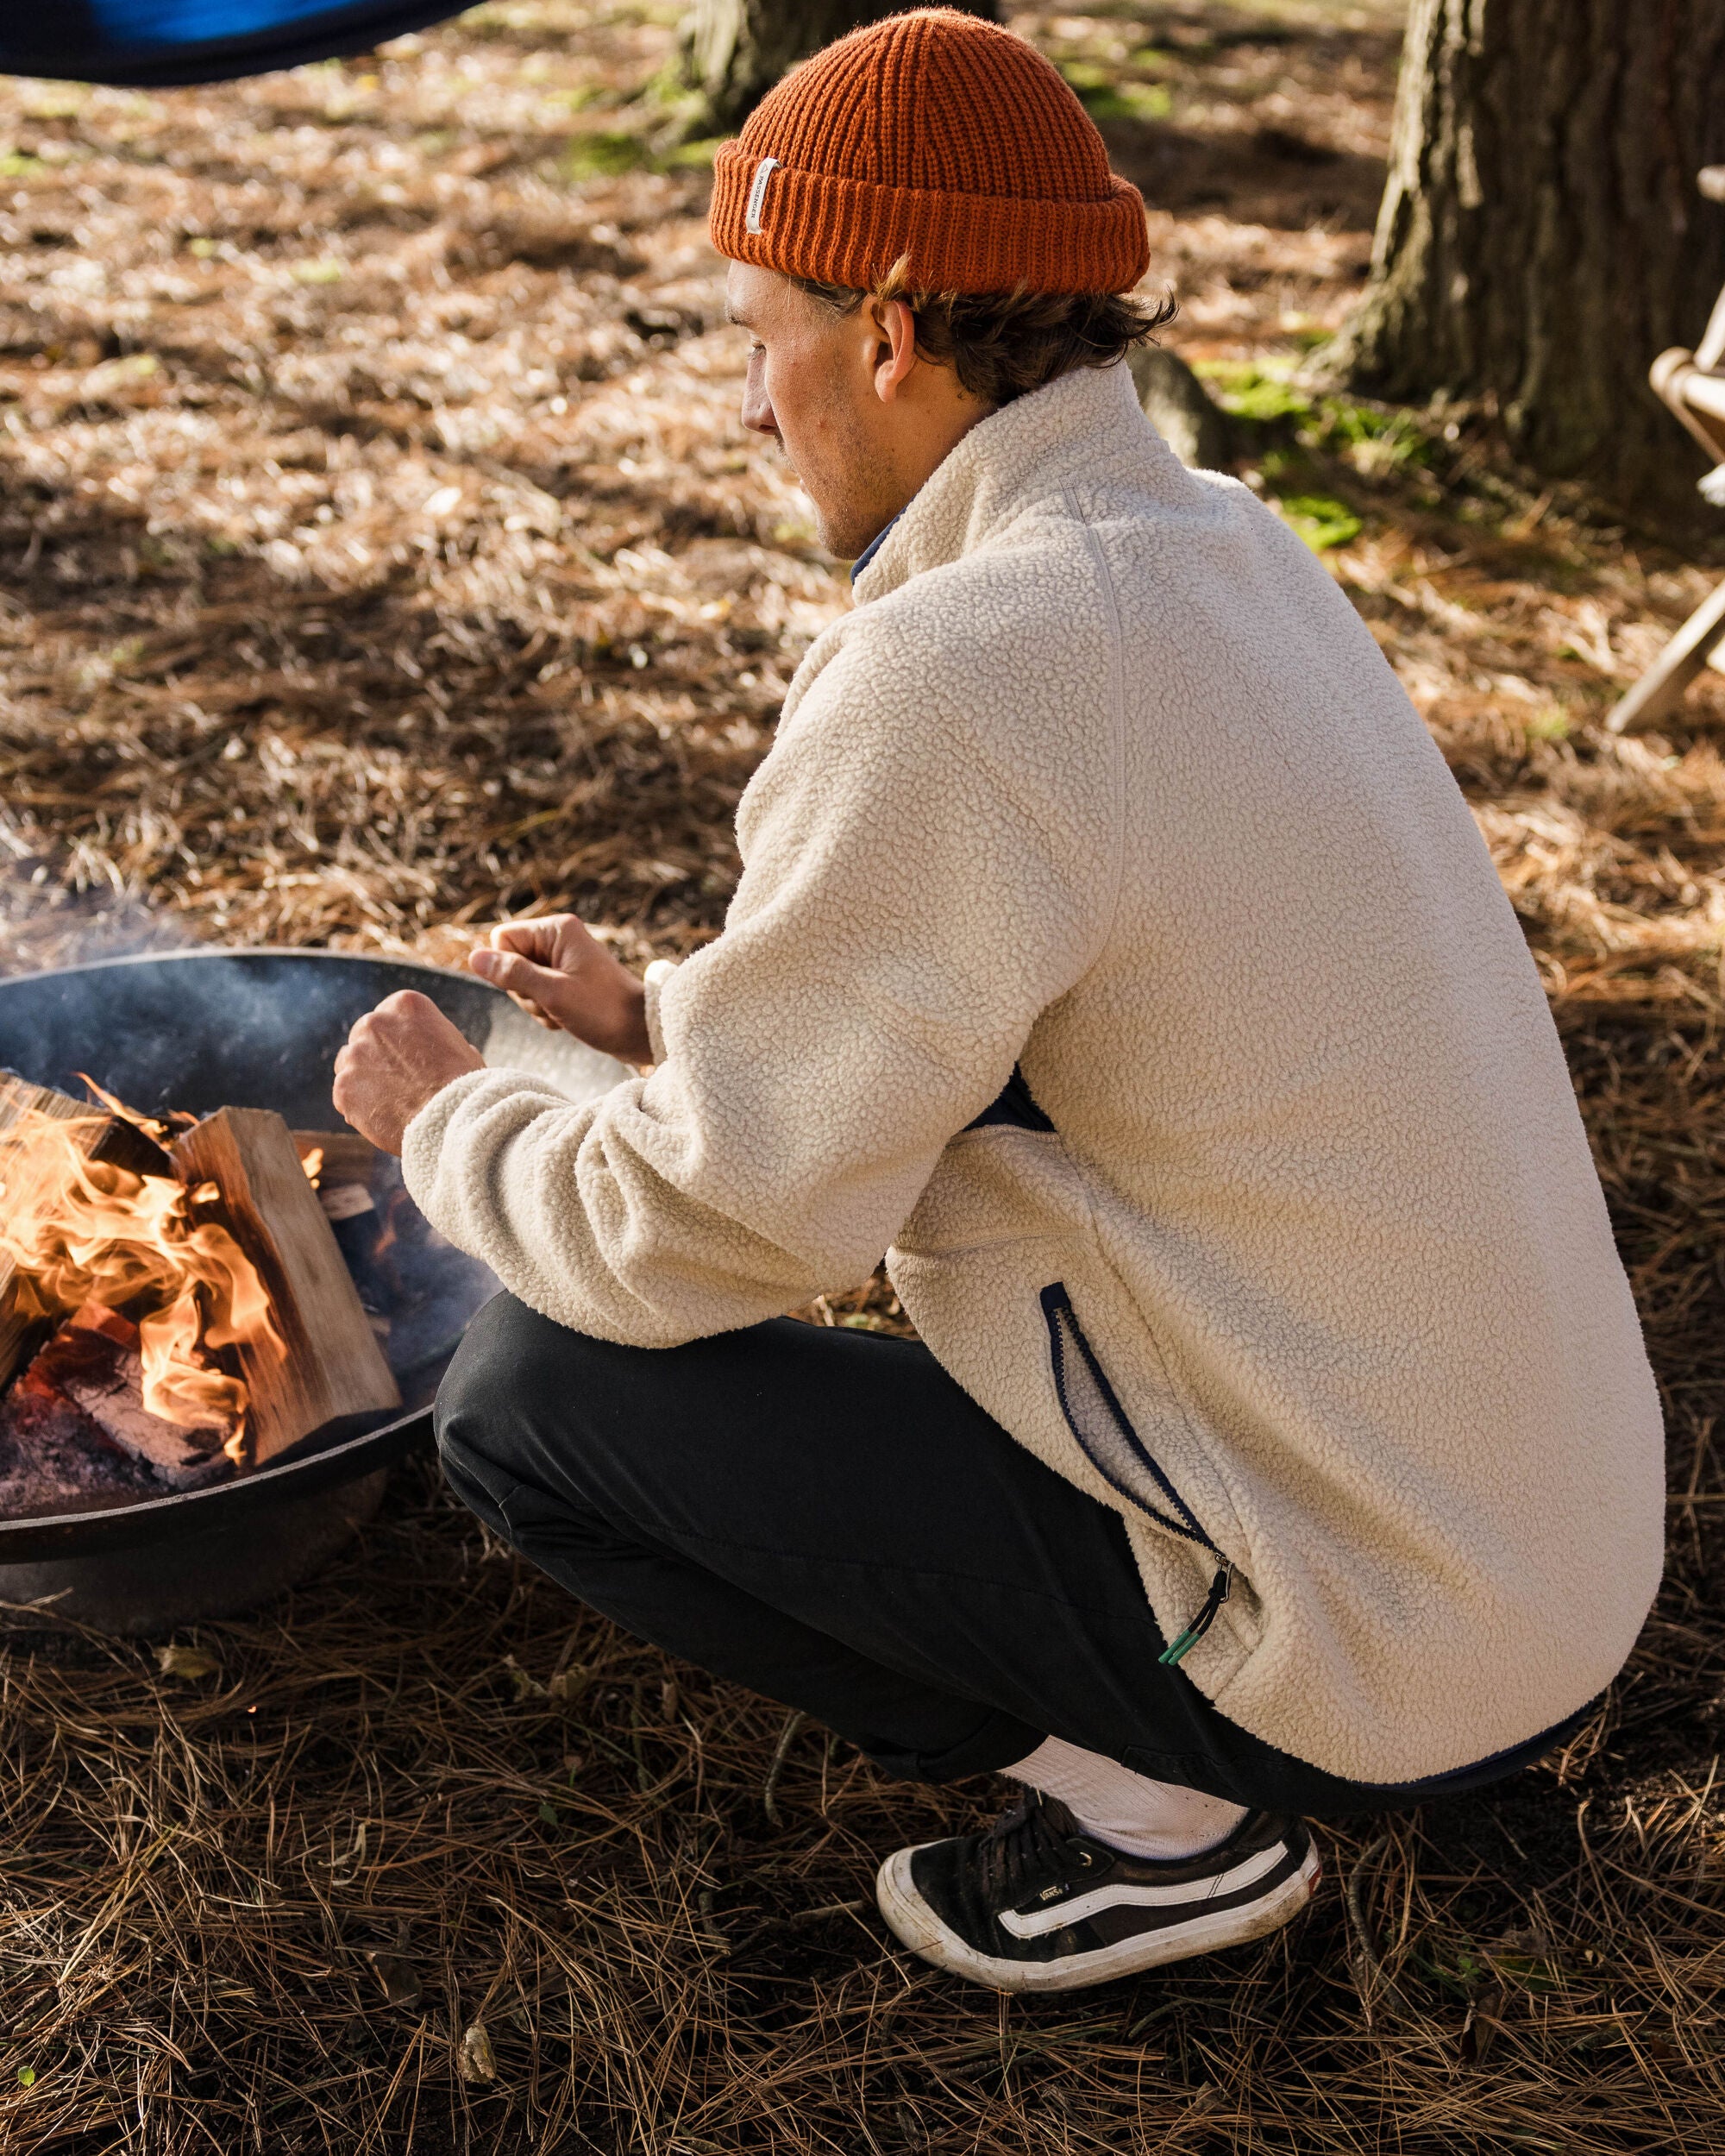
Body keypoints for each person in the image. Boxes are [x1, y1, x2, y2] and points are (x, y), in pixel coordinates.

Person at [332, 9, 1665, 1995]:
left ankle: (1168, 1823)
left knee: (534, 1402)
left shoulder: (968, 667)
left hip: (1368, 1630)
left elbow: (710, 1240)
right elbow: (1050, 996)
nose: (749, 406)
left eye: (757, 334)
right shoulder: (1217, 549)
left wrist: (455, 1119)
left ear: (882, 331)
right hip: (1531, 1552)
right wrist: (659, 1026)